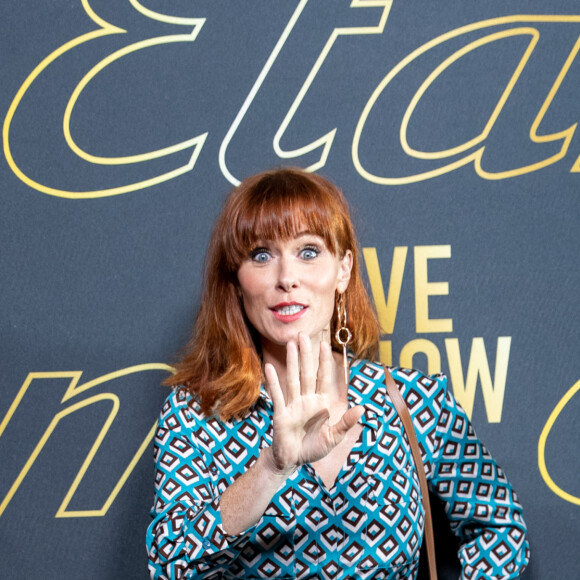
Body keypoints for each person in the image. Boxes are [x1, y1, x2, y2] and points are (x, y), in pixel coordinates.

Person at [146, 167, 529, 579]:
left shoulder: (413, 399)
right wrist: (272, 469)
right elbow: (170, 565)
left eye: (308, 252)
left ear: (343, 269)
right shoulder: (198, 412)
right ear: (237, 282)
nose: (286, 278)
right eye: (261, 255)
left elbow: (501, 528)